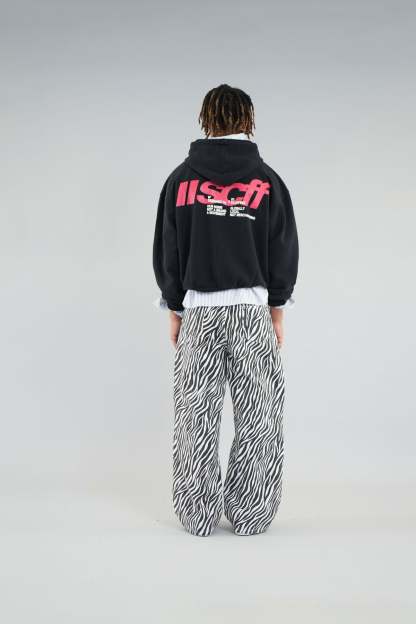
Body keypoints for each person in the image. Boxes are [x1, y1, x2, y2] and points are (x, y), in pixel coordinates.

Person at [152, 84, 299, 537]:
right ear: (248, 120)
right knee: (259, 414)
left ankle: (196, 515)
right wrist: (277, 309)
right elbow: (283, 248)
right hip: (251, 312)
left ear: (206, 120)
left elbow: (168, 249)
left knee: (195, 414)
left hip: (200, 311)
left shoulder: (180, 182)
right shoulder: (268, 182)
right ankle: (252, 514)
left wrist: (175, 307)